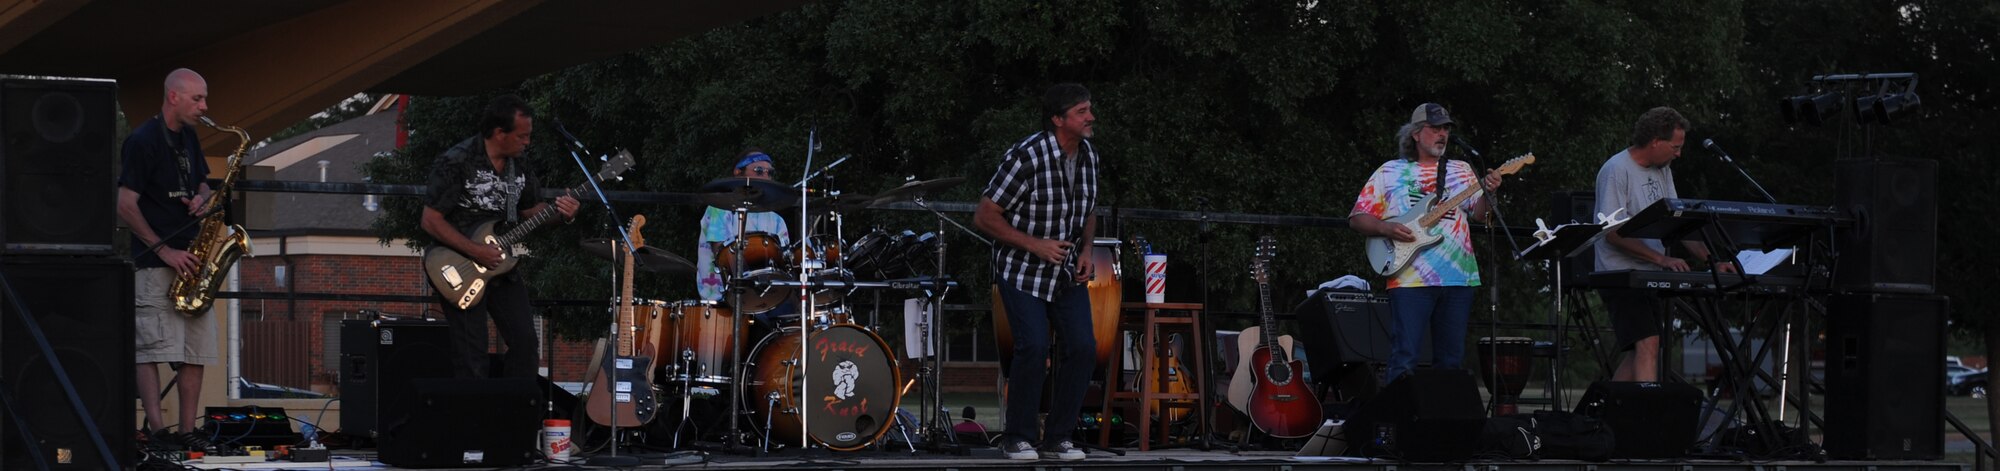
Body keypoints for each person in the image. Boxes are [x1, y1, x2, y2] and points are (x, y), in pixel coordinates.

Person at [974, 83, 1099, 461]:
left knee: (1083, 348)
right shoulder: (1026, 156)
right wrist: (1034, 244)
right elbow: (984, 215)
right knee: (1033, 347)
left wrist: (1087, 250)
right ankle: (1018, 437)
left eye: (1089, 109)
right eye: (1081, 111)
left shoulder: (1090, 155)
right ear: (1058, 120)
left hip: (1065, 271)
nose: (1090, 117)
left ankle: (1059, 437)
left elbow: (1090, 207)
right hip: (1022, 268)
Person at [420, 95, 579, 379]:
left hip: (502, 265)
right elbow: (431, 220)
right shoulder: (457, 160)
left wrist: (562, 213)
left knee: (527, 344)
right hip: (458, 266)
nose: (527, 142)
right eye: (522, 136)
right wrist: (475, 251)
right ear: (499, 133)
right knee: (472, 354)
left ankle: (512, 414)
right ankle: (473, 419)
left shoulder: (520, 164)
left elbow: (532, 210)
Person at [1347, 103, 1505, 383]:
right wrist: (1387, 227)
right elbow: (1358, 218)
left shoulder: (1462, 170)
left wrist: (1489, 192)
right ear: (1416, 134)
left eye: (1446, 128)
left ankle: (1443, 423)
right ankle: (1400, 421)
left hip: (1459, 278)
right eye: (1435, 128)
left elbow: (1481, 215)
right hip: (1409, 279)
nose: (1442, 134)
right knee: (1404, 356)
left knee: (1450, 361)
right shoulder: (1389, 172)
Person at [1593, 106, 1735, 382]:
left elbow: (1677, 224)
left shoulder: (1663, 171)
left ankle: (1606, 414)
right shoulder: (1616, 170)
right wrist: (1661, 260)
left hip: (1648, 275)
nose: (1678, 154)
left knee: (1640, 351)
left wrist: (1711, 261)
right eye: (1675, 146)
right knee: (1648, 345)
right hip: (1620, 274)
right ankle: (1647, 419)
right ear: (1655, 141)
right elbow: (1610, 232)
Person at [117, 68, 217, 448]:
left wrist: (202, 197)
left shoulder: (190, 136)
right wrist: (164, 250)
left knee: (196, 348)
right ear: (173, 96)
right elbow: (125, 205)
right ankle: (158, 432)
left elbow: (204, 182)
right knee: (151, 348)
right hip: (156, 261)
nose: (205, 107)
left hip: (192, 259)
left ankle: (189, 433)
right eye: (197, 99)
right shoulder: (142, 141)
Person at [695, 149, 793, 318]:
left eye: (769, 173)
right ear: (738, 173)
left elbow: (784, 263)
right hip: (722, 300)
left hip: (766, 299)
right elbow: (723, 254)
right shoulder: (719, 209)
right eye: (759, 171)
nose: (766, 176)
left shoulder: (777, 220)